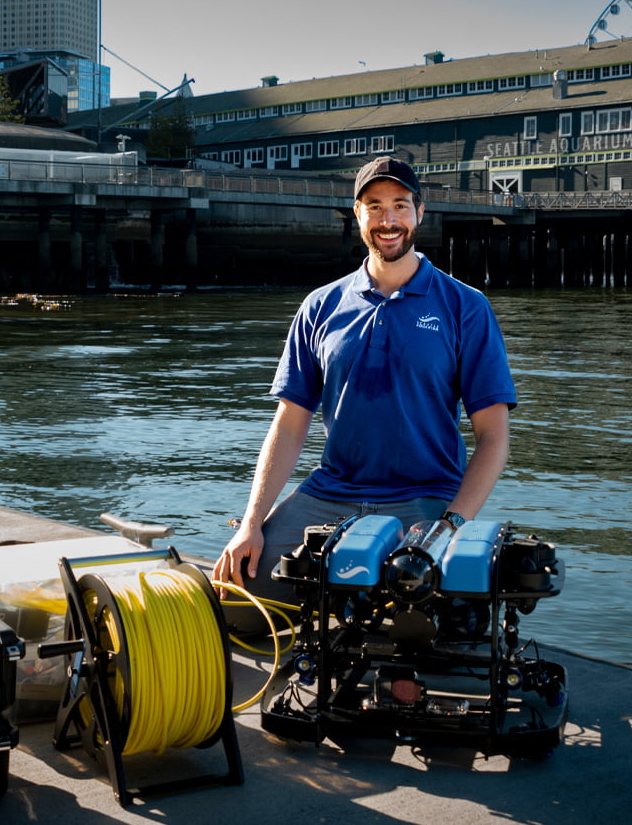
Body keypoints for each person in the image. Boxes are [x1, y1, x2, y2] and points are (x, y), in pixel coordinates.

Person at [211, 156, 516, 620]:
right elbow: (290, 426)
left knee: (426, 629)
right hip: (329, 494)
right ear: (357, 215)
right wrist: (251, 524)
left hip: (425, 498)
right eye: (374, 206)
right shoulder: (320, 306)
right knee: (237, 607)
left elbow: (493, 437)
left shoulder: (465, 307)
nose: (388, 220)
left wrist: (450, 526)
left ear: (419, 212)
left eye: (399, 205)